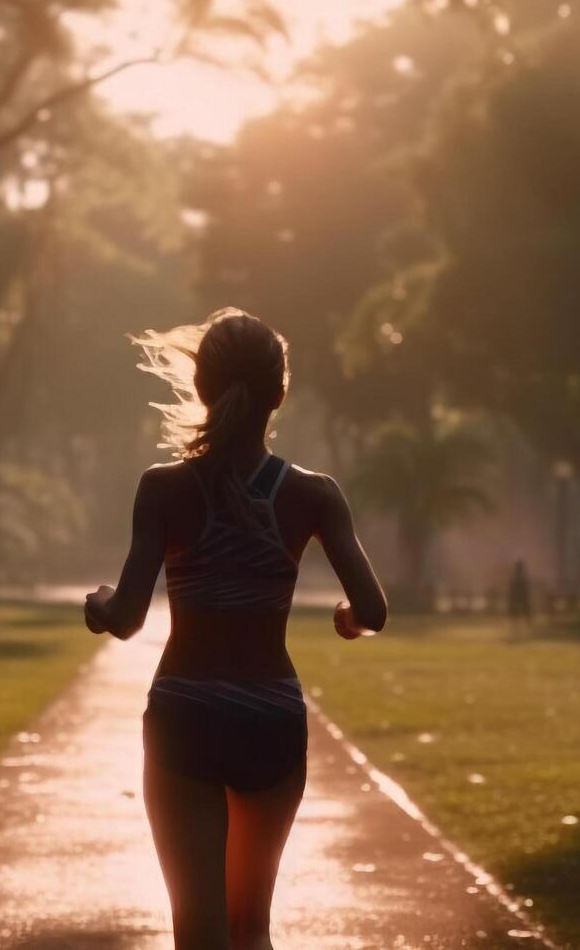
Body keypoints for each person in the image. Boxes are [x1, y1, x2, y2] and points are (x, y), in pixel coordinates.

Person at [85, 308, 388, 950]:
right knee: (251, 928)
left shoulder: (163, 489)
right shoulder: (314, 494)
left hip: (186, 714)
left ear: (202, 389)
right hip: (270, 719)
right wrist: (348, 621)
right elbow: (373, 609)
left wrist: (101, 603)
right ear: (279, 394)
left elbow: (129, 618)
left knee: (199, 930)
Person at [507, 558, 533, 636]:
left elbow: (512, 591)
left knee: (517, 616)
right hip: (521, 599)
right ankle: (525, 630)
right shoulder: (520, 578)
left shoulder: (515, 578)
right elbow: (525, 590)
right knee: (522, 615)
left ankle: (519, 631)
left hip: (518, 599)